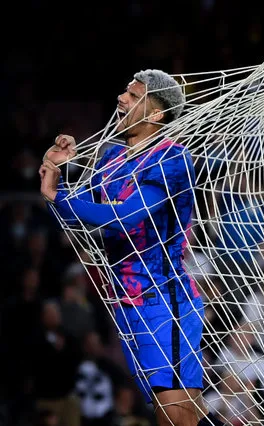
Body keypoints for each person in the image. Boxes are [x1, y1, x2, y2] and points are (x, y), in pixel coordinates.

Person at [39, 69, 222, 426]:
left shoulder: (173, 158)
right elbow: (84, 213)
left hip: (164, 303)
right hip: (126, 306)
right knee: (178, 416)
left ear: (155, 115)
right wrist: (61, 173)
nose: (121, 99)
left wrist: (57, 198)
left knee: (176, 417)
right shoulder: (110, 158)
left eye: (134, 96)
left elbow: (125, 218)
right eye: (125, 91)